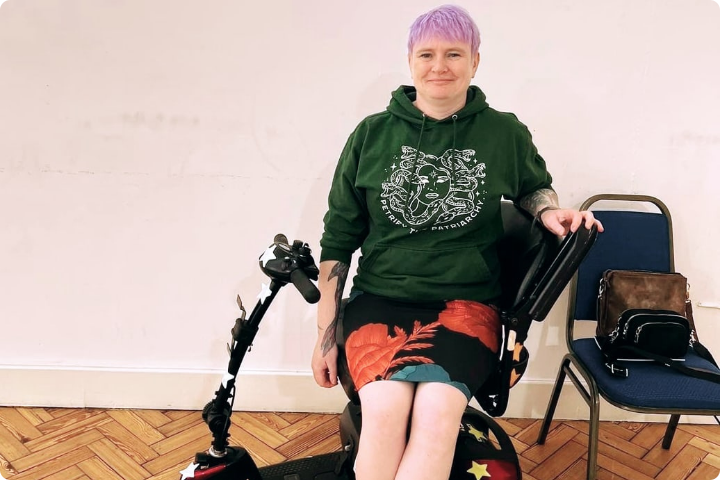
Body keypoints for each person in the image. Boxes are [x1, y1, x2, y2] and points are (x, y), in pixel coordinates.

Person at [311, 5, 603, 480]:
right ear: (410, 61)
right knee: (384, 417)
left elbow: (534, 187)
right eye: (427, 54)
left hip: (466, 306)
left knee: (436, 418)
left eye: (454, 53)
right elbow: (337, 242)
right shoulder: (370, 135)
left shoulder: (503, 131)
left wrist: (549, 210)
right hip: (380, 301)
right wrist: (325, 337)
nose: (439, 65)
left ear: (475, 62)